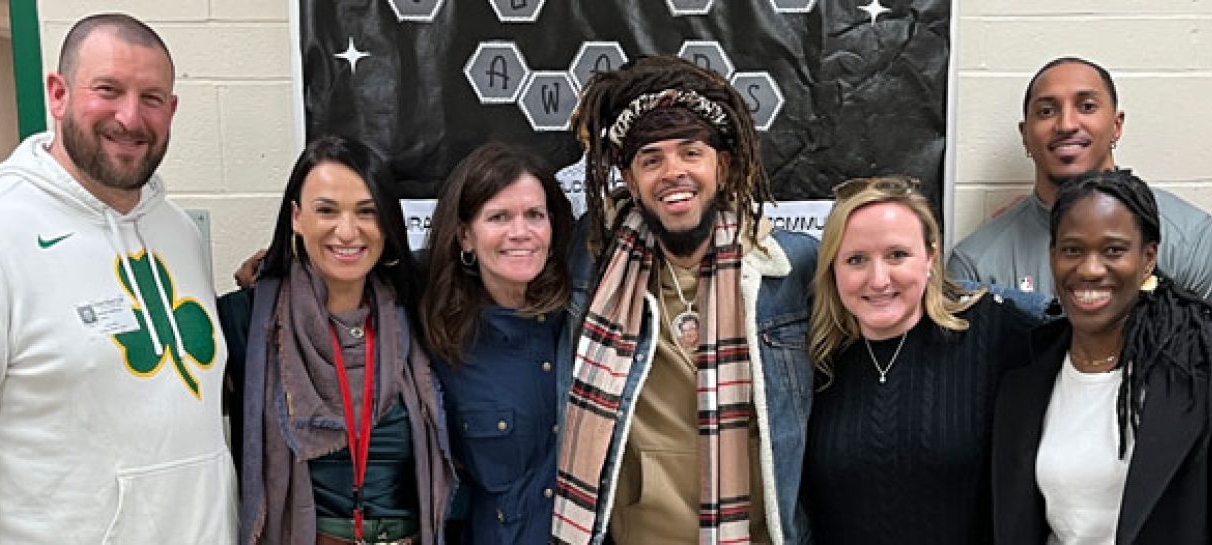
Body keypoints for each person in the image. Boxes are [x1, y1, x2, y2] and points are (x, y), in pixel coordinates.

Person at [0, 13, 235, 543]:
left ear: (172, 109)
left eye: (152, 98)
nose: (130, 117)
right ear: (58, 94)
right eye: (108, 90)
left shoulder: (178, 233)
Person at [551, 55, 818, 545]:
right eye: (651, 159)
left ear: (724, 166)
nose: (672, 172)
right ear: (630, 182)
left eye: (691, 152)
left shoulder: (788, 270)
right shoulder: (594, 266)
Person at [993, 169, 1212, 544]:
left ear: (1147, 258)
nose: (1090, 269)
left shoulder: (1211, 366)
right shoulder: (1027, 370)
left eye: (1113, 250)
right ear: (1052, 255)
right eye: (1072, 249)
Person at [231, 136, 451, 544]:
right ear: (296, 217)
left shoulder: (419, 315)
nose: (347, 231)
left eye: (367, 212)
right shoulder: (247, 322)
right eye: (326, 211)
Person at [803, 176, 1038, 543]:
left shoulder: (994, 332)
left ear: (930, 256)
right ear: (833, 269)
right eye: (856, 260)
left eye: (897, 255)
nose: (878, 280)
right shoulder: (811, 362)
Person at [947, 56, 1212, 333]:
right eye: (1047, 111)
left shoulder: (1190, 238)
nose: (1066, 124)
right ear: (1025, 134)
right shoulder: (977, 262)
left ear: (1116, 126)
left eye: (1086, 107)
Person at [418, 142, 576, 544]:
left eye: (535, 215)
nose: (520, 233)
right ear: (465, 236)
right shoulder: (437, 338)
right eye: (498, 217)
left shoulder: (586, 319)